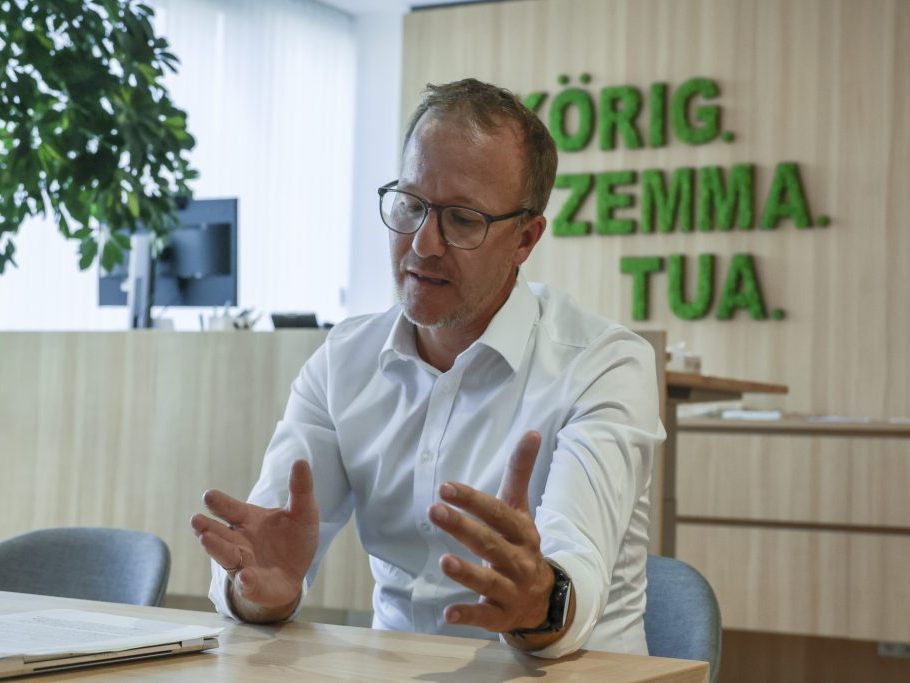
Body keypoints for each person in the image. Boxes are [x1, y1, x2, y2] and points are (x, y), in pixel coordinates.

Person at [191, 78, 664, 658]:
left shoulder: (605, 365)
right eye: (411, 205)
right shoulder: (344, 361)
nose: (423, 244)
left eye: (462, 219)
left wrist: (540, 599)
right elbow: (263, 550)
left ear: (525, 238)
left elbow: (577, 564)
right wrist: (259, 592)